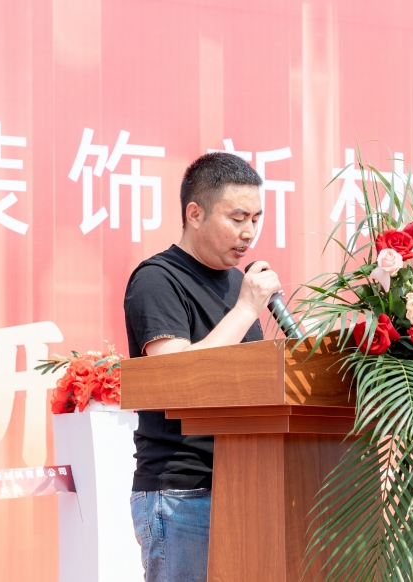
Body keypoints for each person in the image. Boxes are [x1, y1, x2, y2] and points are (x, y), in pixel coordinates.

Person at [123, 152, 282, 582]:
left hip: (243, 483)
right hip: (182, 490)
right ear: (195, 214)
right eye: (237, 218)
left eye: (256, 218)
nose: (249, 232)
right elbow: (179, 376)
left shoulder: (238, 284)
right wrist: (246, 309)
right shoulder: (157, 279)